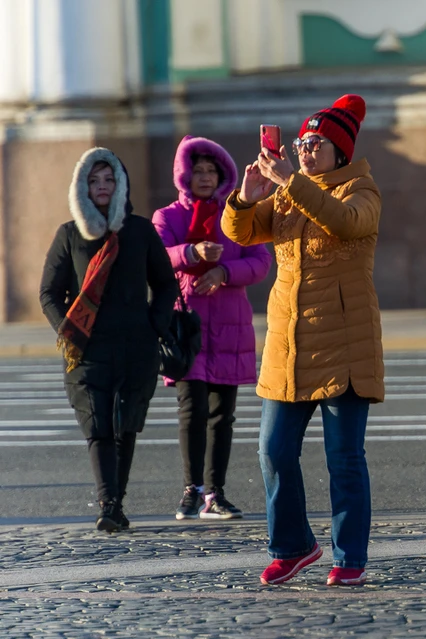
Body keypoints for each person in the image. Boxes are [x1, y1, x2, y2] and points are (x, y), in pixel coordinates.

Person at [221, 94, 383, 587]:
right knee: (271, 451)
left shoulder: (362, 190)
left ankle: (349, 555)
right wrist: (246, 196)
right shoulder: (288, 192)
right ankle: (293, 546)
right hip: (288, 346)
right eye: (301, 142)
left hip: (345, 348)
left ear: (340, 152)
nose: (306, 151)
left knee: (344, 460)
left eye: (316, 144)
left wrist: (290, 179)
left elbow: (345, 221)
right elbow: (242, 233)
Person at [39, 147, 178, 532]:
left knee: (126, 425)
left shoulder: (139, 231)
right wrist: (67, 332)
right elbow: (48, 292)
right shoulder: (70, 235)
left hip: (137, 346)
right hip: (88, 350)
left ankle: (116, 500)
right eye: (94, 180)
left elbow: (165, 284)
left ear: (121, 185)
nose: (102, 186)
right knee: (98, 425)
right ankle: (109, 503)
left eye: (109, 179)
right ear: (81, 188)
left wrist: (156, 323)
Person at [153, 136, 272, 521]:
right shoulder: (168, 216)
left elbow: (259, 261)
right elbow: (157, 259)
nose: (205, 177)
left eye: (211, 171)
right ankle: (192, 490)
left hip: (230, 323)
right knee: (192, 408)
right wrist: (191, 253)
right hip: (187, 325)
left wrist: (224, 270)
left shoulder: (237, 213)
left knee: (223, 414)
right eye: (198, 170)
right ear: (184, 174)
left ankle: (215, 494)